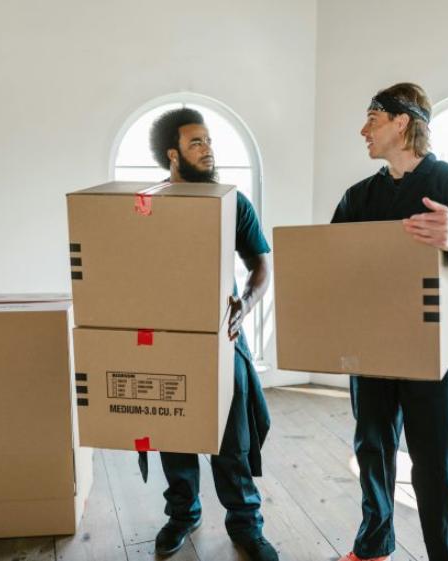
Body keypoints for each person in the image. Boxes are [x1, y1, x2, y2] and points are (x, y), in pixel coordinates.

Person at [332, 83, 448, 561]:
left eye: (372, 119)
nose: (363, 130)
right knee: (372, 450)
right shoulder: (359, 197)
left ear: (401, 122)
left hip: (436, 349)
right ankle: (373, 546)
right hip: (372, 345)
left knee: (437, 464)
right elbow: (331, 258)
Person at [147, 107, 278, 561]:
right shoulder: (146, 208)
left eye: (209, 141)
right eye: (196, 142)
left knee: (232, 439)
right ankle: (182, 514)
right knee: (174, 434)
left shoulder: (232, 203)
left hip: (223, 338)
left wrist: (246, 304)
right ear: (173, 154)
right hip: (165, 340)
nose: (208, 149)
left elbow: (261, 265)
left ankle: (246, 524)